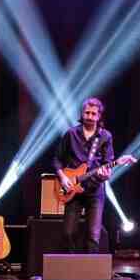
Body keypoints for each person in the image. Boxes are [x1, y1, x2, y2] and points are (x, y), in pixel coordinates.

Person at [52, 97, 115, 252]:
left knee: (93, 236)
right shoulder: (71, 134)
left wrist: (105, 175)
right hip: (73, 190)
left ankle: (90, 272)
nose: (90, 116)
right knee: (68, 233)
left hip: (95, 191)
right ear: (82, 113)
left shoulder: (105, 136)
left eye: (94, 114)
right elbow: (57, 159)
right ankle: (71, 268)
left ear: (99, 116)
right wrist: (63, 177)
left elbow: (108, 162)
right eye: (87, 112)